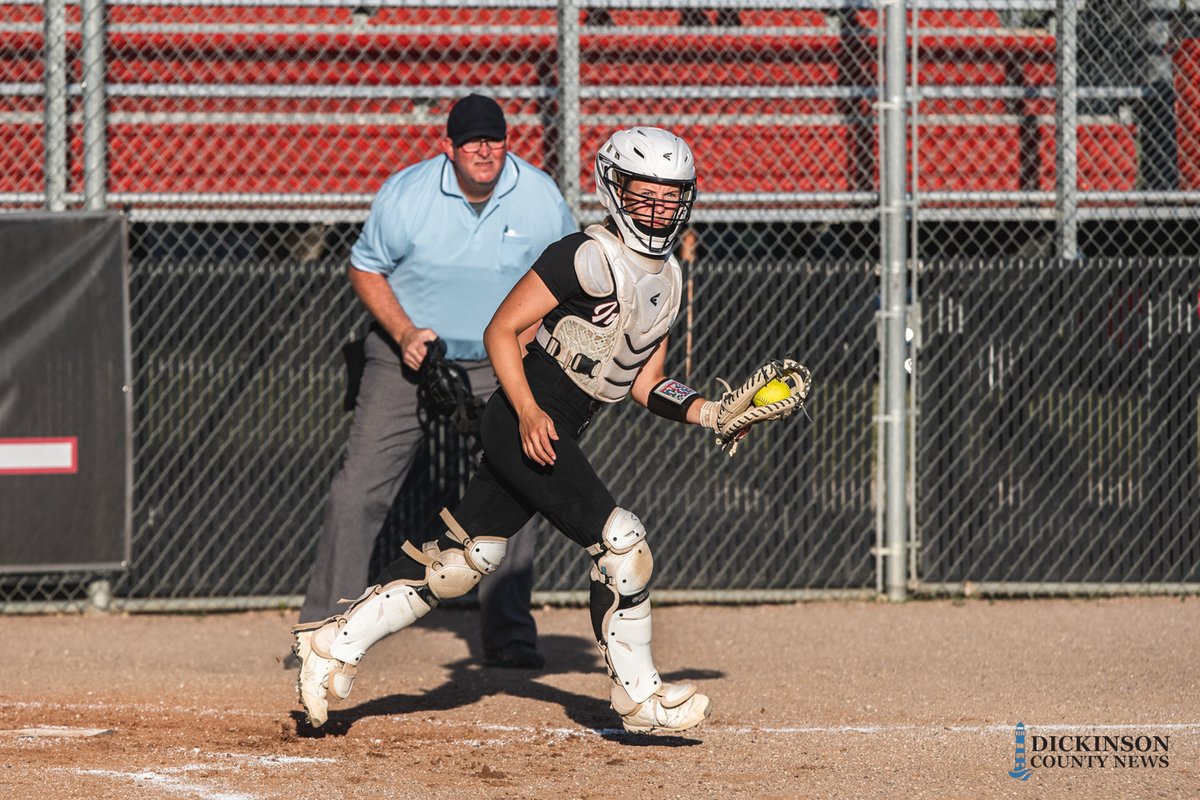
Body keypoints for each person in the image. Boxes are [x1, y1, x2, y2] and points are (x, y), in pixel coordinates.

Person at [293, 126, 731, 734]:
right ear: (614, 190)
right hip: (523, 419)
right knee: (622, 544)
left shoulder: (669, 278)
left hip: (555, 428)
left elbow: (644, 383)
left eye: (668, 195)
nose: (657, 209)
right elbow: (502, 330)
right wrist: (526, 411)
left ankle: (332, 646)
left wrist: (711, 411)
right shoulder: (584, 254)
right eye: (643, 194)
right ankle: (641, 697)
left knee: (461, 561)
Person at [295, 94, 576, 670]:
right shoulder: (408, 193)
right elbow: (365, 266)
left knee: (524, 480)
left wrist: (532, 337)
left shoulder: (540, 195)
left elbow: (566, 277)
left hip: (505, 357)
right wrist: (402, 333)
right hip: (413, 354)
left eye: (494, 139)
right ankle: (323, 632)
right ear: (446, 147)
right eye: (470, 141)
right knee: (359, 490)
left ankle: (509, 635)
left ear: (507, 142)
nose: (483, 150)